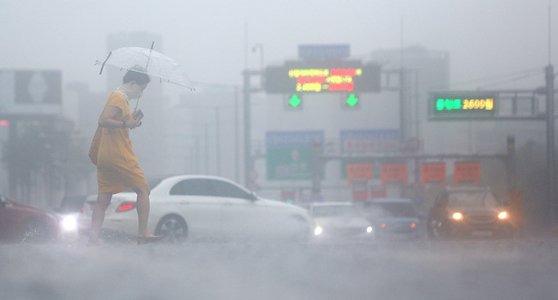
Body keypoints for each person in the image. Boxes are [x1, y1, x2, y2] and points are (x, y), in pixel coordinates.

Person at [89, 69, 161, 245]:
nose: (141, 93)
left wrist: (130, 122)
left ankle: (92, 238)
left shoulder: (120, 98)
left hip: (105, 155)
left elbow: (115, 122)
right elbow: (103, 120)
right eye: (141, 89)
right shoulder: (119, 98)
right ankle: (143, 233)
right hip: (119, 154)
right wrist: (125, 123)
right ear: (133, 84)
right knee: (143, 189)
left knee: (103, 198)